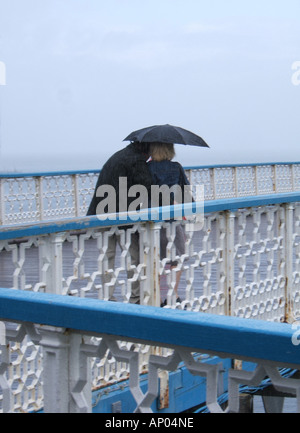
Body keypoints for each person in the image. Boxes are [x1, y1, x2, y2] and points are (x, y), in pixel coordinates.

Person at [87, 141, 152, 304]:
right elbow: (148, 187)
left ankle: (107, 296)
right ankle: (136, 298)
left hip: (101, 213)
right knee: (133, 258)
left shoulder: (117, 156)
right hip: (123, 217)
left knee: (107, 256)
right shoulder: (136, 160)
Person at [147, 142, 192, 306]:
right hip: (172, 219)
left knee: (155, 258)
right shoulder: (176, 167)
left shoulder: (147, 168)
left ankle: (157, 297)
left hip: (151, 220)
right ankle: (172, 295)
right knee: (177, 256)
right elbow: (186, 192)